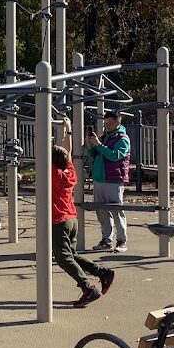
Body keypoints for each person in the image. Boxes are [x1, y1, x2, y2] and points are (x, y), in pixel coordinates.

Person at [53, 118, 115, 307]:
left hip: (60, 220)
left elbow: (62, 152)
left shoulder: (53, 172)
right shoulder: (68, 170)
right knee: (71, 254)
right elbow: (67, 151)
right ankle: (101, 272)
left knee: (63, 258)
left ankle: (87, 287)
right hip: (72, 218)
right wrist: (69, 130)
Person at [87, 111, 131, 252]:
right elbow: (95, 153)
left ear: (118, 123)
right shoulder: (105, 136)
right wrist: (91, 145)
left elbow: (114, 156)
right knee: (102, 211)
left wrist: (99, 145)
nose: (107, 126)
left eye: (110, 124)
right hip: (100, 178)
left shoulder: (122, 139)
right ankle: (106, 239)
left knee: (117, 210)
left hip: (113, 180)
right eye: (105, 124)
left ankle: (121, 240)